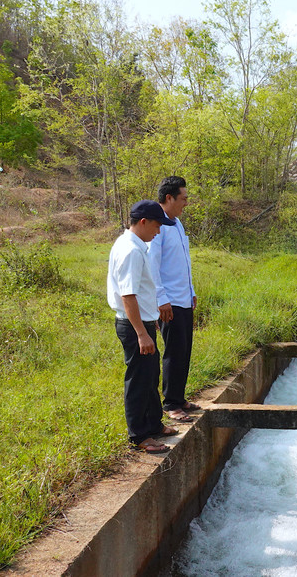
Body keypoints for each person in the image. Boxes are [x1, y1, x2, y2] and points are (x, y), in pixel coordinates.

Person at [107, 200, 178, 453]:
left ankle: (153, 425)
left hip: (144, 323)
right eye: (157, 225)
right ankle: (139, 436)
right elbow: (128, 295)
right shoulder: (131, 251)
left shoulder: (135, 245)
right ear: (144, 222)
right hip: (134, 326)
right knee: (138, 380)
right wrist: (141, 333)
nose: (158, 231)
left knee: (150, 377)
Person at [147, 176, 199, 423]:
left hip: (184, 298)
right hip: (169, 301)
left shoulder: (176, 223)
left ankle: (179, 397)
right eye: (183, 199)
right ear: (169, 198)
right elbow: (153, 265)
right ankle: (170, 403)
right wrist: (161, 298)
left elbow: (183, 262)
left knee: (184, 350)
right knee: (173, 352)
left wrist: (192, 291)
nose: (185, 204)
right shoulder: (158, 226)